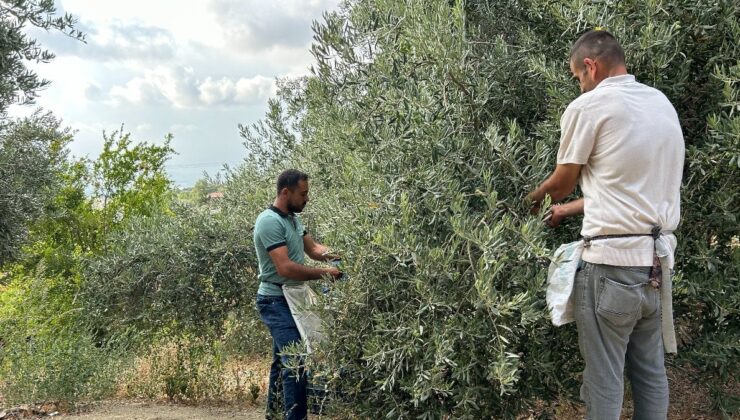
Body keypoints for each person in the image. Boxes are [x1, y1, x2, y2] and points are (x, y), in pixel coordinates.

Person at [527, 30, 684, 419]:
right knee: (650, 373)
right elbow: (626, 191)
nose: (579, 86)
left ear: (591, 67)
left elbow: (561, 183)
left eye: (578, 77)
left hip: (611, 268)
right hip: (656, 267)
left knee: (604, 379)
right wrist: (565, 212)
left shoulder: (590, 106)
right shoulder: (660, 104)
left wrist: (528, 203)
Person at [253, 169, 342, 420]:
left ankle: (276, 415)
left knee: (284, 362)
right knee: (296, 361)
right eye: (303, 194)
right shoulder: (269, 221)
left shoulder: (292, 218)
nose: (307, 198)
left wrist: (345, 252)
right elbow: (286, 268)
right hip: (274, 300)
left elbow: (314, 249)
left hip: (293, 298)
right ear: (285, 192)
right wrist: (325, 273)